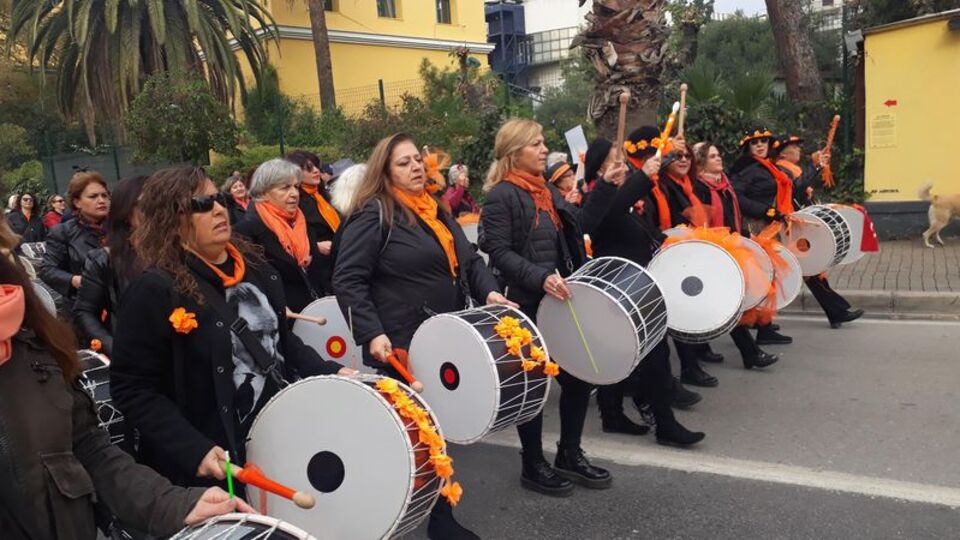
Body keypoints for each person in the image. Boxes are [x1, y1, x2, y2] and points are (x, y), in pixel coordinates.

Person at [110, 166, 354, 492]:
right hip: (219, 463)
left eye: (220, 199)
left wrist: (330, 370)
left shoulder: (254, 267)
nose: (218, 209)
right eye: (201, 203)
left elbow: (279, 343)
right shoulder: (154, 289)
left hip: (279, 440)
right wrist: (193, 448)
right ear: (170, 219)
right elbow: (132, 388)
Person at [0, 256, 254, 540]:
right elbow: (128, 378)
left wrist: (173, 505)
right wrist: (113, 347)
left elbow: (89, 450)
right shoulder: (142, 281)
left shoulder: (34, 346)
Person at [333, 133, 510, 539]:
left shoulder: (434, 208)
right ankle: (421, 516)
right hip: (399, 344)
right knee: (418, 433)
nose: (415, 167)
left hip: (440, 338)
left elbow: (468, 260)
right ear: (384, 172)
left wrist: (490, 292)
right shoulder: (374, 213)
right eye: (403, 163)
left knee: (432, 430)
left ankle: (434, 514)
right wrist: (371, 332)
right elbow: (347, 278)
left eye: (417, 159)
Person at [479, 118, 612, 498]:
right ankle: (533, 463)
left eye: (543, 143)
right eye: (535, 144)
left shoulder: (546, 191)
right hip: (525, 303)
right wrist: (540, 278)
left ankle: (569, 453)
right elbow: (497, 251)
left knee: (578, 377)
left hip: (558, 300)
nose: (544, 150)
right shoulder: (501, 195)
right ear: (513, 151)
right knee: (534, 385)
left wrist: (605, 187)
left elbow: (576, 229)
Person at [581, 135, 705, 447]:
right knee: (653, 354)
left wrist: (675, 245)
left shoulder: (622, 198)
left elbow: (641, 231)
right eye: (614, 160)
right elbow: (610, 211)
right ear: (599, 170)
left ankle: (614, 413)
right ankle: (663, 423)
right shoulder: (597, 197)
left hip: (637, 285)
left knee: (625, 353)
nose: (622, 165)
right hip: (621, 287)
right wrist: (647, 173)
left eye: (623, 159)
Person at [690, 142, 780, 369]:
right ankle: (750, 354)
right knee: (728, 302)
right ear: (701, 162)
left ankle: (699, 349)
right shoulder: (699, 188)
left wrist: (745, 236)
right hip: (713, 251)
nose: (719, 158)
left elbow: (732, 216)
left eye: (718, 154)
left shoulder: (724, 183)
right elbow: (700, 222)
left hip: (731, 246)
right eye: (712, 156)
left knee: (714, 302)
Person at [774, 135, 864, 328]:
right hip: (790, 229)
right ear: (782, 154)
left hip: (799, 226)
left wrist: (818, 166)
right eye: (794, 147)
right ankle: (756, 321)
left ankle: (836, 313)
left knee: (813, 272)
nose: (798, 149)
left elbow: (803, 187)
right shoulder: (781, 169)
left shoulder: (793, 169)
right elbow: (797, 188)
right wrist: (815, 166)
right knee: (801, 272)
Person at [234, 159, 327, 314]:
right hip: (282, 317)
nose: (294, 194)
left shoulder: (304, 224)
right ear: (263, 192)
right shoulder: (246, 232)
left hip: (316, 313)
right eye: (285, 188)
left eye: (296, 187)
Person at [730, 129, 795, 346]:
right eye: (755, 142)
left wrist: (817, 168)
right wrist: (766, 211)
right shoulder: (746, 169)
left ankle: (762, 322)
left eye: (764, 141)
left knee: (769, 274)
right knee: (763, 275)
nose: (760, 145)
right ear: (748, 147)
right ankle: (762, 327)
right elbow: (736, 197)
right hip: (756, 226)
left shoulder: (769, 166)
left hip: (770, 225)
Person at [72, 176, 148, 357]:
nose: (156, 212)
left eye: (104, 195)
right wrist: (116, 350)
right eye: (145, 205)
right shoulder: (105, 259)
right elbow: (84, 312)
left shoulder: (183, 252)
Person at [39, 171, 110, 299]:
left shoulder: (121, 228)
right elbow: (47, 269)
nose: (101, 200)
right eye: (93, 196)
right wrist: (75, 280)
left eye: (104, 195)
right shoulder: (63, 232)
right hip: (84, 301)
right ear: (77, 202)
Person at [286, 150, 340, 294]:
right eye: (308, 169)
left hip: (338, 260)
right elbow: (287, 236)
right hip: (318, 269)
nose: (316, 171)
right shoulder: (294, 201)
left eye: (316, 166)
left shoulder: (322, 194)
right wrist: (315, 246)